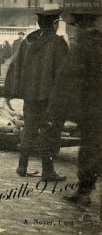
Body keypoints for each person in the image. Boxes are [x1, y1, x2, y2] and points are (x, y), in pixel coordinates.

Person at [3, 9, 68, 181]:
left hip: (30, 96)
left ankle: (22, 166)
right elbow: (63, 73)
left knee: (29, 128)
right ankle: (48, 172)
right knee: (49, 131)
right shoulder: (58, 42)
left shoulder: (28, 41)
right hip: (49, 97)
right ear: (55, 24)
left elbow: (15, 67)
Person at [48, 11, 102, 206]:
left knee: (90, 149)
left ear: (79, 26)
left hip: (92, 109)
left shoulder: (84, 46)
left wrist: (62, 107)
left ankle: (84, 192)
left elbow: (68, 77)